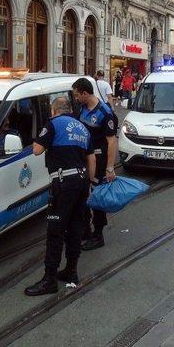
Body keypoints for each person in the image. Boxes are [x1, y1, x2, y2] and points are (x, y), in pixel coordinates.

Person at [24, 97, 95, 296]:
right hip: (81, 182)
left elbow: (37, 150)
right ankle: (71, 271)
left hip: (64, 183)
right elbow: (91, 159)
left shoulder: (53, 124)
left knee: (55, 231)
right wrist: (90, 184)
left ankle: (49, 279)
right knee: (75, 228)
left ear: (54, 110)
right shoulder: (82, 128)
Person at [72, 78, 117, 251]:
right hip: (83, 158)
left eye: (77, 95)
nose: (75, 98)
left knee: (97, 196)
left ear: (85, 93)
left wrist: (110, 167)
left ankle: (98, 235)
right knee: (83, 193)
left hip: (99, 161)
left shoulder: (105, 113)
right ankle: (85, 229)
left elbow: (111, 141)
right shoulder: (81, 108)